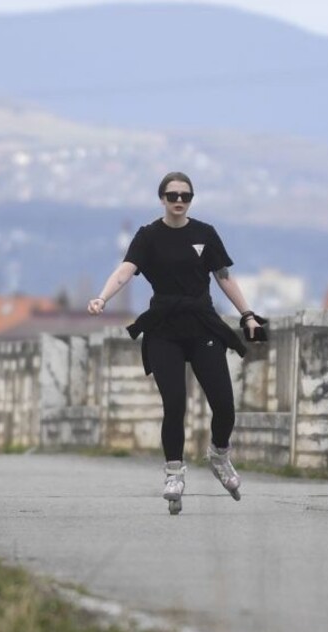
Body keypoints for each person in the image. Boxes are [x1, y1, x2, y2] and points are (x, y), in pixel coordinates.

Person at [88, 172, 265, 515]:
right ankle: (174, 472)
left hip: (202, 326)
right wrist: (102, 298)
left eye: (185, 195)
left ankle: (219, 454)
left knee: (225, 405)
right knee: (175, 404)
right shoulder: (148, 236)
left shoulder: (204, 234)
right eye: (172, 196)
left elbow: (224, 277)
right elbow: (125, 270)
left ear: (191, 199)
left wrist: (248, 315)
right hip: (164, 329)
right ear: (162, 199)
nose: (179, 201)